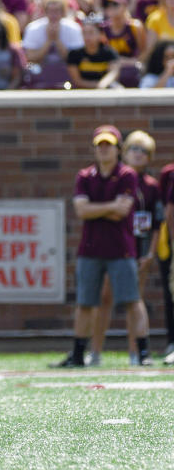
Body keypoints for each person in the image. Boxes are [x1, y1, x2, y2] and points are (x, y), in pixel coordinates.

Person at [53, 125, 151, 367]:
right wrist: (108, 207)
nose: (104, 150)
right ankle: (78, 354)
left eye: (109, 145)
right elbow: (81, 210)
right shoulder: (85, 176)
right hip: (91, 248)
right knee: (85, 302)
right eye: (100, 145)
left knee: (132, 300)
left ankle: (143, 353)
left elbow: (122, 211)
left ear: (118, 149)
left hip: (121, 248)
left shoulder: (127, 174)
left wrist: (96, 209)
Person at [89, 130, 163, 366]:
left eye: (144, 151)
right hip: (117, 244)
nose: (139, 154)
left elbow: (156, 222)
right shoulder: (117, 179)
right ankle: (95, 351)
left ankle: (137, 353)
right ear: (125, 151)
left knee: (134, 299)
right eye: (134, 149)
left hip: (138, 247)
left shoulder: (152, 186)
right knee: (104, 296)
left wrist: (150, 252)